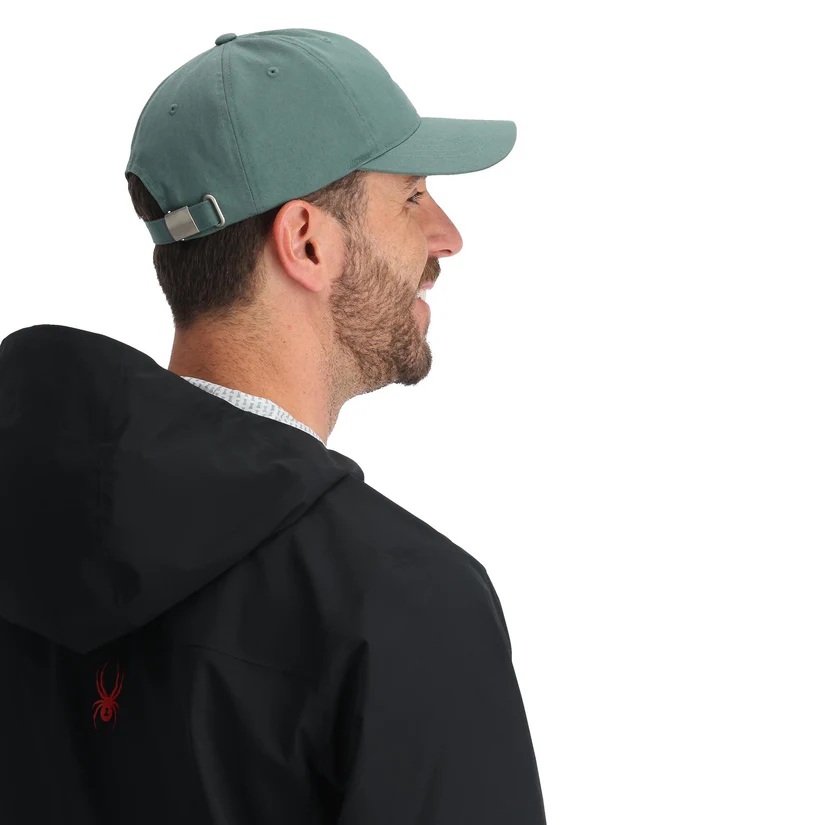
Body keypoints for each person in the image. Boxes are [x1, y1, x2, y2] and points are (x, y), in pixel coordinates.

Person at [0, 28, 546, 825]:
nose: (447, 236)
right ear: (306, 241)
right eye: (411, 196)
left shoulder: (20, 531)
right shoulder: (403, 602)